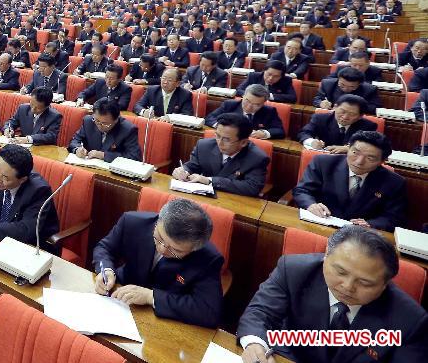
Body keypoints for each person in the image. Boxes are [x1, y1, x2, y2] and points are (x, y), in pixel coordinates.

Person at [237, 225, 428, 363]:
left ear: (386, 283)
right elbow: (259, 313)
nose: (347, 286)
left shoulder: (410, 320)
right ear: (326, 253)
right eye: (341, 272)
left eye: (365, 282)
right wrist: (255, 344)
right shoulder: (293, 270)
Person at [93, 198, 223, 328]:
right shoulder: (132, 222)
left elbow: (208, 312)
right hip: (118, 293)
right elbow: (104, 248)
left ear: (193, 248)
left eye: (175, 250)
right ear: (158, 221)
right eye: (159, 238)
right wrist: (106, 270)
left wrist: (151, 297)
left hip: (164, 320)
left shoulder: (208, 258)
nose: (162, 249)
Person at [293, 131, 405, 230]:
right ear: (348, 148)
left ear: (382, 161)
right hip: (319, 225)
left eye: (370, 158)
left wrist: (371, 224)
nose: (359, 161)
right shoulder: (323, 163)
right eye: (355, 153)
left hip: (358, 236)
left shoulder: (394, 182)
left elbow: (393, 217)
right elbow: (302, 190)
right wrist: (311, 204)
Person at [173, 113, 269, 196]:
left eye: (226, 139)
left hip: (234, 203)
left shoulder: (257, 158)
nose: (219, 143)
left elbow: (252, 188)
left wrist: (210, 181)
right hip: (202, 197)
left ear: (243, 142)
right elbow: (192, 166)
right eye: (217, 136)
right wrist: (184, 171)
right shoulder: (204, 146)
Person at [67, 98, 140, 162]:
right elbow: (74, 140)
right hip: (88, 166)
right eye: (97, 121)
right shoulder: (88, 121)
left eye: (105, 123)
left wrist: (103, 155)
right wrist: (77, 149)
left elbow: (134, 157)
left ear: (116, 119)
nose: (100, 126)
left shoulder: (128, 130)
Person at [299, 94, 377, 152]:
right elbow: (303, 133)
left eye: (352, 114)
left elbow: (371, 146)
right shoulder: (320, 118)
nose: (345, 117)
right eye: (342, 111)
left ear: (360, 116)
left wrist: (350, 148)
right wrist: (312, 142)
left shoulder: (368, 126)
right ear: (335, 107)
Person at [205, 84, 285, 139]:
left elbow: (280, 131)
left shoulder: (269, 111)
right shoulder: (229, 105)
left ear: (263, 103)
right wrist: (223, 126)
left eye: (256, 105)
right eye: (247, 101)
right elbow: (209, 118)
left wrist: (264, 133)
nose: (249, 106)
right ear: (243, 96)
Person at [313, 67, 380, 114]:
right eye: (342, 85)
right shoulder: (327, 84)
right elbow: (317, 99)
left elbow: (374, 107)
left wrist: (353, 109)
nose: (345, 89)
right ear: (338, 79)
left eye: (351, 87)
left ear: (359, 84)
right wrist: (321, 103)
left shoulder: (369, 89)